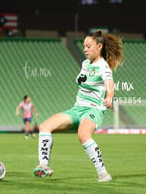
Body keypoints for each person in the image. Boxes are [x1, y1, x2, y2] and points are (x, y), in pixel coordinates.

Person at [33, 30, 124, 182]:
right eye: (84, 46)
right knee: (44, 127)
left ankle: (103, 173)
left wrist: (109, 98)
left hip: (93, 109)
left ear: (99, 46)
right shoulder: (85, 63)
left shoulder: (103, 67)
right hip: (77, 108)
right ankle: (44, 166)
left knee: (83, 135)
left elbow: (110, 85)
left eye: (88, 46)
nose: (85, 49)